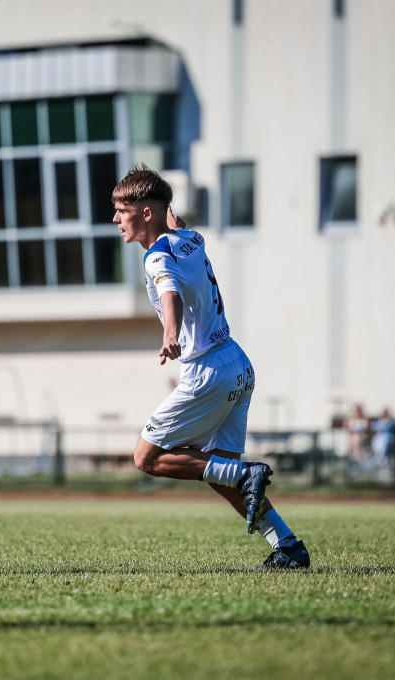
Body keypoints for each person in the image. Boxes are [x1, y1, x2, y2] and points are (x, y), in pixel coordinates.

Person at [112, 165, 309, 569]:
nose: (115, 219)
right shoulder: (191, 239)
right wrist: (173, 221)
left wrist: (170, 333)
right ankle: (287, 546)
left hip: (207, 374)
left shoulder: (155, 257)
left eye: (121, 209)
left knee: (146, 458)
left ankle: (245, 474)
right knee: (218, 472)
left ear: (145, 213)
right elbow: (178, 234)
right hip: (237, 364)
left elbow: (171, 294)